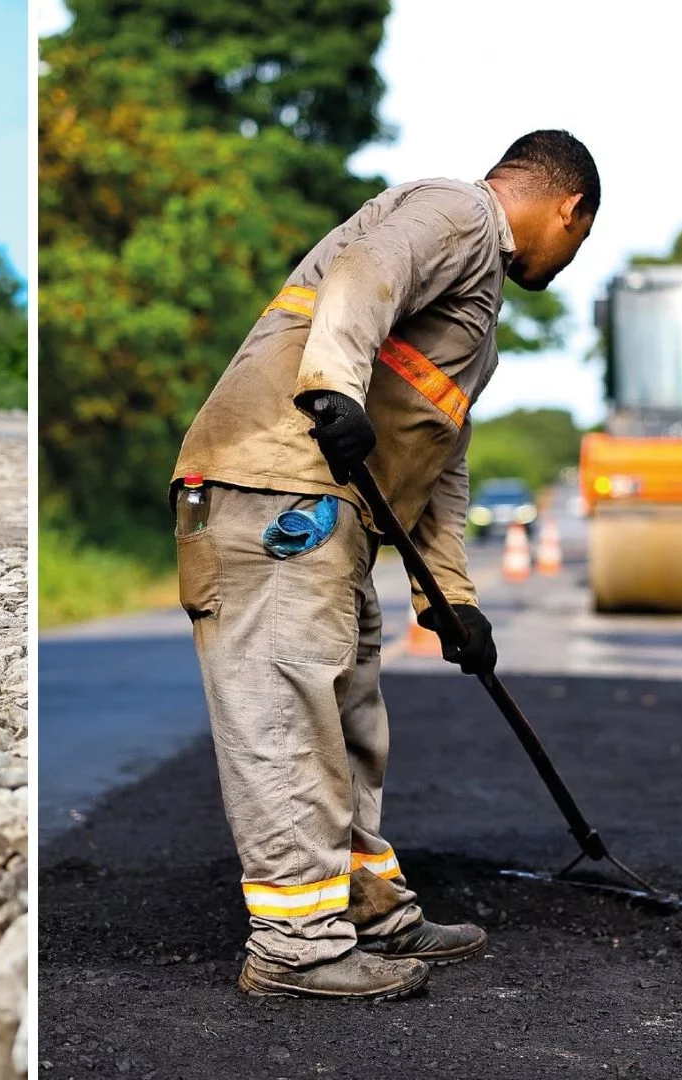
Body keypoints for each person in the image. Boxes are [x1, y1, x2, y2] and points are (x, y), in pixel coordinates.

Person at [170, 130, 600, 1001]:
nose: (566, 259)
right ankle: (297, 945)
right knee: (289, 715)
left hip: (335, 519)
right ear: (570, 208)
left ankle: (365, 908)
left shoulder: (476, 313)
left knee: (349, 722)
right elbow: (367, 268)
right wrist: (331, 383)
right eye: (579, 242)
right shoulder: (458, 213)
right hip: (271, 488)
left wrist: (453, 603)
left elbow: (440, 450)